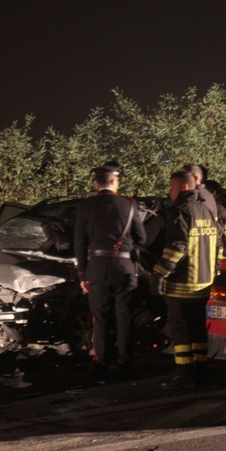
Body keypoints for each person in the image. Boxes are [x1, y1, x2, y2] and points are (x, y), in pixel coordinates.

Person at [74, 161, 147, 382]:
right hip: (124, 268)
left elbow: (79, 243)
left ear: (97, 182)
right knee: (124, 317)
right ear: (114, 181)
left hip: (96, 269)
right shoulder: (130, 204)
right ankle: (125, 363)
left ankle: (102, 365)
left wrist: (82, 274)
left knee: (101, 318)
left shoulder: (84, 206)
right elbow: (142, 239)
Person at [150, 171, 221, 389]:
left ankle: (184, 374)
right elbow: (218, 244)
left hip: (182, 283)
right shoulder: (207, 210)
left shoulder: (180, 212)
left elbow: (177, 247)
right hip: (204, 282)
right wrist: (214, 270)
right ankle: (201, 370)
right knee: (198, 327)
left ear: (183, 188)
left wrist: (160, 272)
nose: (169, 190)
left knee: (180, 329)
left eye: (172, 185)